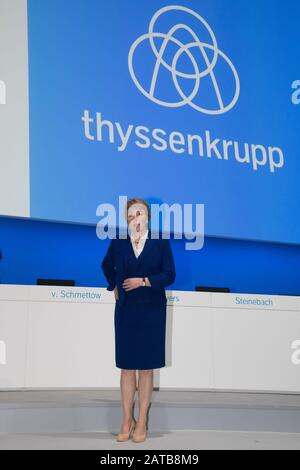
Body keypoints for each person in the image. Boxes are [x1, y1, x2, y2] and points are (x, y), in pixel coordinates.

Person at [101, 198, 176, 443]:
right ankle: (126, 419)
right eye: (132, 214)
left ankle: (142, 420)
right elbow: (106, 265)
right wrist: (114, 286)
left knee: (146, 367)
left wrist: (143, 281)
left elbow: (170, 274)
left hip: (152, 310)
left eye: (140, 213)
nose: (136, 217)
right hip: (126, 310)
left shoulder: (160, 242)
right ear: (127, 218)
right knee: (126, 367)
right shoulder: (119, 242)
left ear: (148, 217)